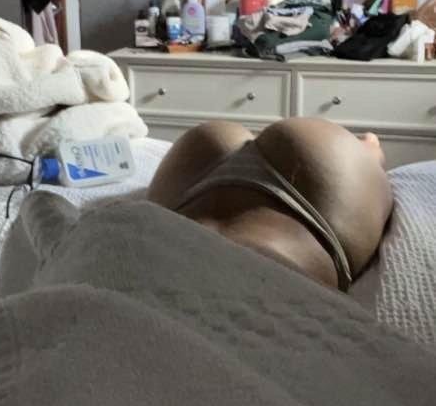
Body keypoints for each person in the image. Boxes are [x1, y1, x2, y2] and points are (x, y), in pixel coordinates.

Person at [148, 117, 394, 292]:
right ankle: (369, 150)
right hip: (198, 165)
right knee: (368, 157)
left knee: (365, 160)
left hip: (191, 185)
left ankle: (368, 151)